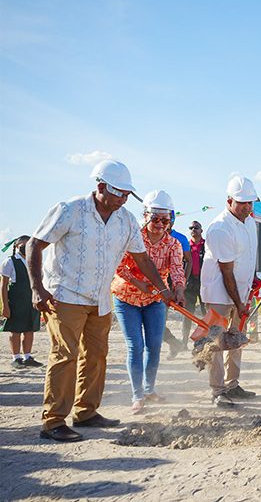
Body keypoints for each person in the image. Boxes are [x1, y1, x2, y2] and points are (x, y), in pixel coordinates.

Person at [27, 160, 174, 442]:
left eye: (127, 194)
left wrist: (163, 288)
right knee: (65, 356)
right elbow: (36, 244)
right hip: (65, 295)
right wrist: (37, 288)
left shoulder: (126, 220)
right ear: (101, 187)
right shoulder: (70, 210)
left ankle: (86, 411)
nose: (123, 199)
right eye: (118, 193)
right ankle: (53, 420)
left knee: (96, 356)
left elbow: (142, 258)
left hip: (100, 299)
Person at [111, 190, 186, 414]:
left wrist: (179, 289)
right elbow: (118, 265)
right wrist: (138, 282)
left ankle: (149, 388)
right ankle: (137, 395)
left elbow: (177, 270)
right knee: (136, 346)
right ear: (145, 216)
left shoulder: (173, 244)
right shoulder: (131, 238)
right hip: (127, 298)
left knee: (154, 346)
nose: (160, 224)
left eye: (165, 219)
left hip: (155, 299)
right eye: (155, 219)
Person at [200, 175, 259, 408]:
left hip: (241, 292)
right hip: (220, 295)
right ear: (229, 201)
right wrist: (239, 302)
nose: (246, 207)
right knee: (216, 341)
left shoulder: (250, 222)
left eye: (250, 202)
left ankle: (233, 384)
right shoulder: (220, 229)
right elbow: (226, 272)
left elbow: (248, 257)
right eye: (241, 202)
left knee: (236, 339)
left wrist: (251, 285)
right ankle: (218, 391)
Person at [1, 236, 44, 369]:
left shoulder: (34, 261)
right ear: (16, 246)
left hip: (31, 300)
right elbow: (4, 285)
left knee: (29, 328)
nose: (26, 247)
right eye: (23, 244)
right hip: (16, 300)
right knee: (15, 330)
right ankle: (16, 357)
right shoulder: (10, 262)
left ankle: (27, 357)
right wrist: (5, 306)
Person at [162, 213, 192, 357]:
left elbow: (189, 261)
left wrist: (182, 282)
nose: (165, 223)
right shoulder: (149, 236)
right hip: (156, 281)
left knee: (159, 319)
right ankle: (174, 343)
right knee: (157, 320)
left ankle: (177, 343)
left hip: (174, 281)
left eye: (168, 220)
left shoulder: (180, 238)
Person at [183, 220, 206, 344]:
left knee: (205, 313)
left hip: (204, 283)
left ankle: (207, 339)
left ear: (201, 230)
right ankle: (184, 341)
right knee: (187, 313)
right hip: (190, 284)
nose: (193, 230)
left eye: (196, 227)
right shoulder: (186, 246)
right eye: (191, 227)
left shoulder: (207, 246)